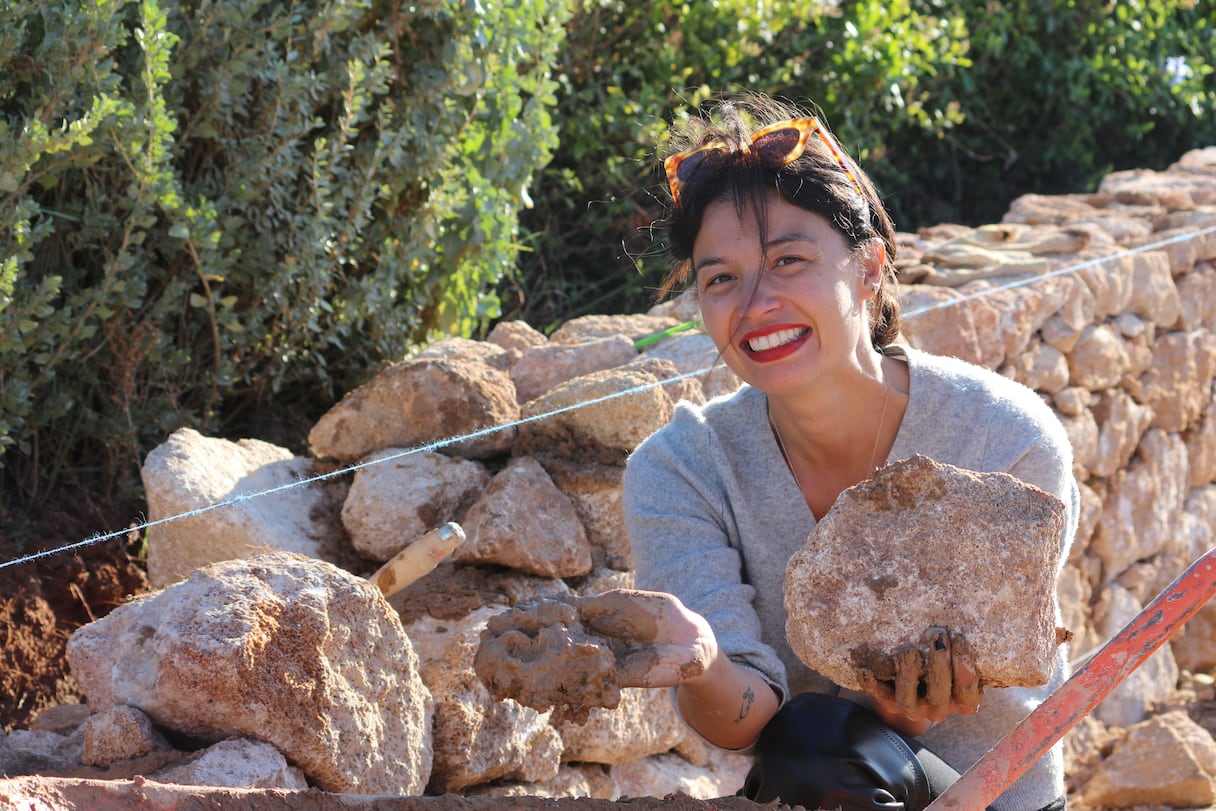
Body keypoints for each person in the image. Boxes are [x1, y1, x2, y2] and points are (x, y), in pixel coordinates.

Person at [615, 93, 1080, 811]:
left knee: (825, 744)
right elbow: (751, 726)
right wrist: (701, 661)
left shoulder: (1001, 439)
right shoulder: (680, 470)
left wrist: (909, 713)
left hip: (994, 796)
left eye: (788, 260)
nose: (755, 301)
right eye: (721, 279)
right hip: (821, 783)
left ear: (869, 269)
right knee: (812, 739)